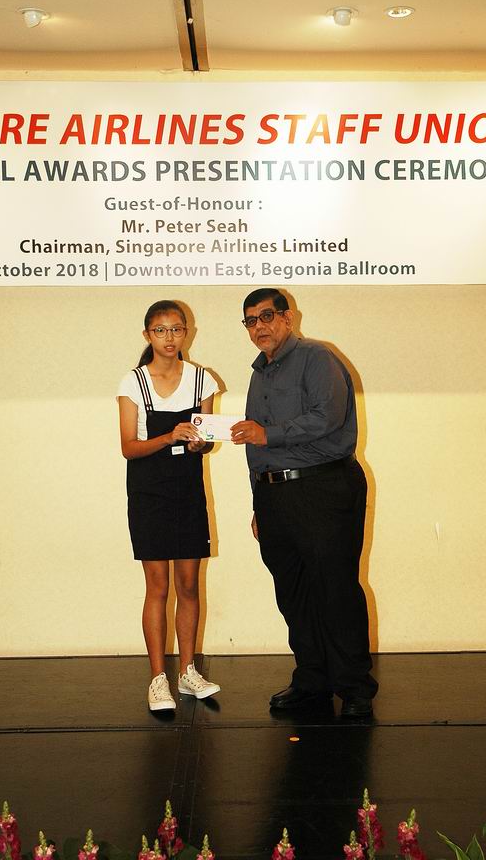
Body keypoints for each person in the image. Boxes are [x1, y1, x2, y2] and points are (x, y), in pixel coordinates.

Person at [230, 288, 378, 717]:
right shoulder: (259, 374)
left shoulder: (317, 357)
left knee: (335, 590)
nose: (259, 327)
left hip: (323, 488)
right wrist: (259, 503)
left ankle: (354, 687)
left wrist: (268, 434)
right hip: (275, 496)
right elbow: (254, 446)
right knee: (293, 593)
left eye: (266, 316)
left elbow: (326, 416)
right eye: (251, 321)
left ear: (287, 318)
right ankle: (313, 680)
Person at [117, 300, 220, 711]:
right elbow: (128, 447)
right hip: (149, 493)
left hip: (187, 490)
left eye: (177, 329)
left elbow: (207, 439)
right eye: (160, 330)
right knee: (158, 587)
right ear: (148, 335)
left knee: (189, 585)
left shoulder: (202, 379)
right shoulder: (133, 382)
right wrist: (169, 437)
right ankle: (158, 678)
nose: (169, 338)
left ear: (186, 332)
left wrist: (199, 443)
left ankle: (188, 672)